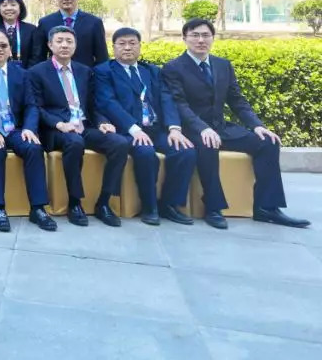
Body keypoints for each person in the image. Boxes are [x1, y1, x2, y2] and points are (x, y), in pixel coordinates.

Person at [161, 18, 310, 229]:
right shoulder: (173, 68)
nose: (201, 40)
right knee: (207, 144)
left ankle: (267, 208)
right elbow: (180, 105)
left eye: (206, 35)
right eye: (195, 35)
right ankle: (213, 207)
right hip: (192, 129)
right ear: (184, 38)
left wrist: (257, 126)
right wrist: (203, 128)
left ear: (213, 38)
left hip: (221, 127)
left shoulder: (223, 65)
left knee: (268, 142)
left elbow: (237, 100)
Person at [94, 27, 196, 225]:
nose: (127, 48)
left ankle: (169, 204)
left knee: (185, 151)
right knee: (145, 153)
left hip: (156, 129)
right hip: (128, 130)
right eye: (122, 44)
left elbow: (167, 99)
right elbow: (108, 103)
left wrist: (174, 128)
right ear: (113, 47)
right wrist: (134, 129)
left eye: (132, 43)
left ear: (140, 46)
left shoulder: (152, 71)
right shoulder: (104, 71)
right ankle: (149, 207)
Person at [29, 25, 128, 227]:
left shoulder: (85, 71)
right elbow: (36, 107)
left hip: (84, 126)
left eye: (69, 41)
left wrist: (102, 122)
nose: (64, 45)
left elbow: (93, 105)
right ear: (50, 45)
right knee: (74, 142)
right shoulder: (36, 72)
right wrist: (59, 124)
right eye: (59, 41)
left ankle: (104, 202)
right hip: (57, 129)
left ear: (75, 45)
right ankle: (75, 202)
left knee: (120, 143)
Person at [0, 29, 57, 232]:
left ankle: (38, 208)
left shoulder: (21, 73)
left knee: (33, 147)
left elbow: (31, 105)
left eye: (3, 45)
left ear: (10, 49)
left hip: (15, 129)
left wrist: (30, 128)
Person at [36, 0, 109, 69]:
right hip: (54, 74)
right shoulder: (45, 22)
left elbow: (102, 57)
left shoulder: (94, 22)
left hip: (86, 75)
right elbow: (39, 56)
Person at [0, 0, 44, 68]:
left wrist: (27, 73)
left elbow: (37, 56)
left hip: (27, 73)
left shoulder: (32, 30)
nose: (9, 8)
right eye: (4, 5)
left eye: (13, 5)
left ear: (20, 7)